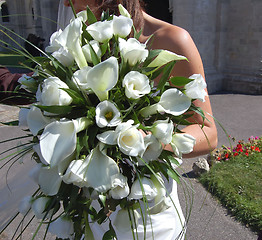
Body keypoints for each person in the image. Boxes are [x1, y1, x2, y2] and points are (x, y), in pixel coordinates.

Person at [60, 0, 218, 239]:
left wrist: (148, 141)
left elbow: (208, 133)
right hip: (93, 208)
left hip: (149, 212)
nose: (64, 2)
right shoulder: (81, 43)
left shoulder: (172, 39)